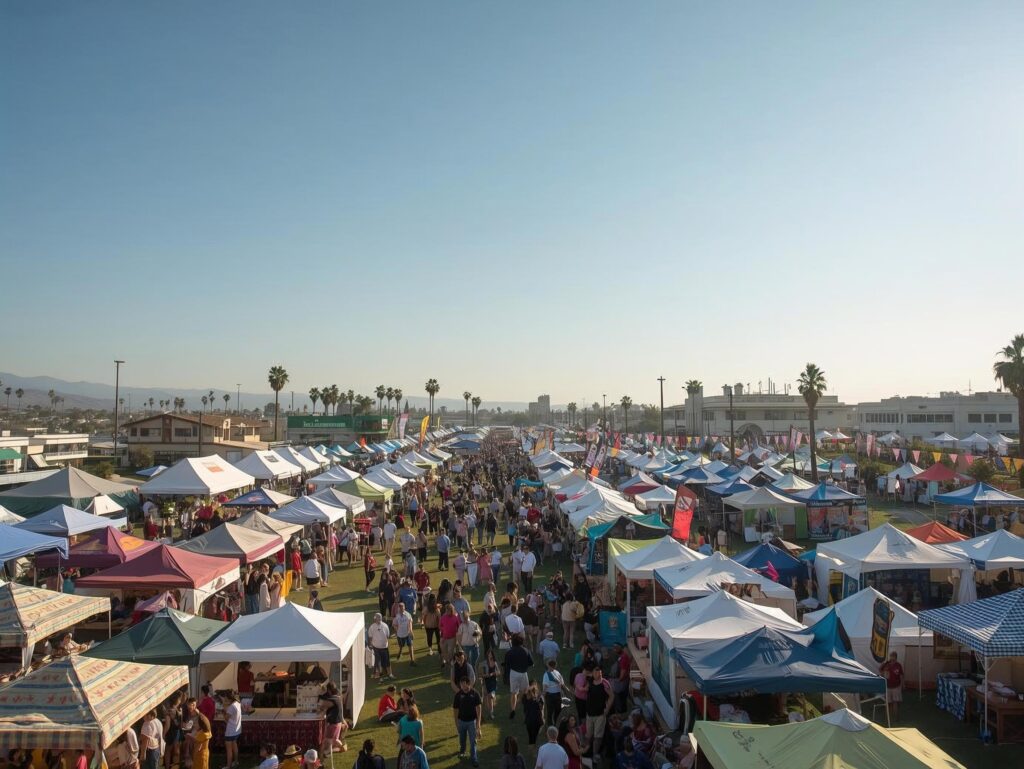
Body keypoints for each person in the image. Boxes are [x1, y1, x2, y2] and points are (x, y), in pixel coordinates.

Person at [453, 677, 483, 766]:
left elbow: (479, 709)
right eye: (461, 684)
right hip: (461, 722)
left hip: (471, 722)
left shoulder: (475, 694)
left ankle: (474, 758)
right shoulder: (458, 695)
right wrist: (456, 723)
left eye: (463, 684)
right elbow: (455, 710)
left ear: (468, 684)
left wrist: (478, 725)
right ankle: (462, 751)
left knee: (473, 741)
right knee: (462, 739)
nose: (462, 686)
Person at [585, 667, 613, 758]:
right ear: (593, 673)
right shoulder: (590, 682)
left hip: (600, 715)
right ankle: (587, 751)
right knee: (589, 735)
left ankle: (594, 754)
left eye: (600, 673)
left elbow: (611, 696)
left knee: (597, 737)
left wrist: (607, 709)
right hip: (589, 714)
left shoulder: (604, 683)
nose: (599, 675)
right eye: (596, 673)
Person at [505, 634, 534, 719]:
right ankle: (526, 708)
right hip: (523, 673)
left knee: (513, 693)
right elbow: (531, 663)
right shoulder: (526, 651)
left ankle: (513, 709)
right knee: (525, 692)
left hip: (513, 673)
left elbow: (507, 665)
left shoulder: (509, 652)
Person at [319, 681, 348, 758]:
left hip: (334, 723)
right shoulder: (337, 697)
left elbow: (322, 706)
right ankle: (327, 752)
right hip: (336, 723)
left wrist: (320, 694)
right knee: (329, 740)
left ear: (329, 690)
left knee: (332, 740)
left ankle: (343, 747)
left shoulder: (333, 700)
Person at [879, 651, 904, 720]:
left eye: (893, 656)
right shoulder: (886, 664)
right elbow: (880, 670)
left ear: (896, 657)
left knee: (895, 702)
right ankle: (888, 718)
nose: (892, 658)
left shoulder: (898, 665)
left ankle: (896, 717)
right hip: (888, 686)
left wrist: (902, 684)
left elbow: (901, 675)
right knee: (889, 703)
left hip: (896, 686)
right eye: (891, 656)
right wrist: (883, 664)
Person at [368, 613, 393, 680]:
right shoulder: (372, 627)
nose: (375, 619)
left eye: (376, 618)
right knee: (377, 661)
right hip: (376, 647)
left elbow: (387, 635)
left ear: (380, 618)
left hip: (384, 647)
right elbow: (370, 637)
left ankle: (389, 674)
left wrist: (384, 642)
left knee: (387, 661)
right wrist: (370, 645)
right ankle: (377, 674)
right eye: (375, 618)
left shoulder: (385, 626)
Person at [221, 692, 242, 769]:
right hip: (237, 730)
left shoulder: (231, 707)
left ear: (229, 698)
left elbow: (226, 719)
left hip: (230, 731)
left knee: (229, 750)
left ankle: (228, 766)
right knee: (234, 745)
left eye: (226, 698)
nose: (225, 699)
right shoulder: (238, 703)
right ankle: (236, 762)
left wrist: (223, 712)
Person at [541, 659, 565, 727]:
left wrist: (542, 696)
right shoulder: (555, 673)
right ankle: (551, 725)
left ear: (549, 666)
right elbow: (562, 684)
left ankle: (552, 724)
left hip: (553, 696)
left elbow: (545, 687)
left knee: (552, 712)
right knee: (554, 711)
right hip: (553, 695)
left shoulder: (548, 674)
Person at [478, 647, 500, 720]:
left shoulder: (495, 662)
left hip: (493, 682)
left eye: (491, 654)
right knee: (485, 698)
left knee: (490, 696)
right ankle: (484, 713)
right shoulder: (483, 663)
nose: (490, 656)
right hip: (486, 682)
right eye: (488, 654)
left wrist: (494, 673)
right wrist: (486, 675)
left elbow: (499, 672)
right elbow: (480, 674)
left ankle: (491, 713)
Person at [523, 684, 545, 750]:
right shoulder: (526, 700)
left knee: (533, 737)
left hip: (533, 722)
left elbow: (541, 707)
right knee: (532, 737)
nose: (527, 695)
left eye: (528, 694)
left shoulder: (536, 700)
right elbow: (541, 708)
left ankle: (532, 749)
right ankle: (532, 749)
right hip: (532, 722)